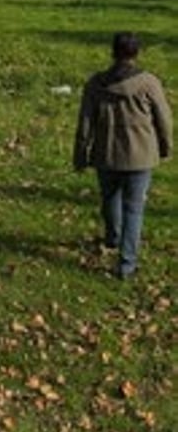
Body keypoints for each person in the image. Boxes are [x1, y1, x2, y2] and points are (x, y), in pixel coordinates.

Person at [73, 32, 173, 279]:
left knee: (109, 199)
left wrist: (81, 154)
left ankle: (113, 237)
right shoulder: (148, 83)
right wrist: (165, 147)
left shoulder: (96, 83)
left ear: (113, 52)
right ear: (136, 53)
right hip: (140, 155)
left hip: (105, 154)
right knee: (134, 209)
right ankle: (127, 264)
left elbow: (85, 122)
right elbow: (163, 118)